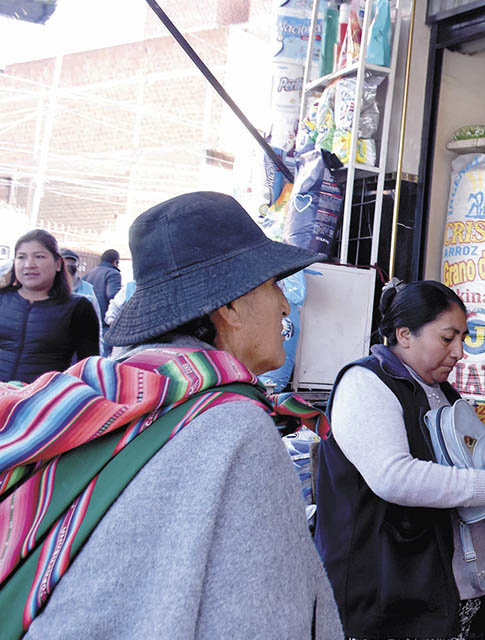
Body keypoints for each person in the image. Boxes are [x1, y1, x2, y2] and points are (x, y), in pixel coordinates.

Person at [10, 192, 342, 637]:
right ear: (230, 307)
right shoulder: (235, 427)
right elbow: (263, 617)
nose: (285, 305)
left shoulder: (122, 395)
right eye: (273, 285)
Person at [314, 280, 485, 640]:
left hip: (444, 594)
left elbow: (468, 465)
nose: (459, 352)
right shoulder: (366, 384)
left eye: (463, 339)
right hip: (385, 595)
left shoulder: (441, 392)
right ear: (404, 335)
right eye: (447, 338)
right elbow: (394, 477)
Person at [0, 230, 100, 383]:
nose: (29, 265)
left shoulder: (78, 308)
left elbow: (89, 370)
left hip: (45, 401)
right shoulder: (2, 299)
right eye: (21, 257)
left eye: (39, 257)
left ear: (58, 264)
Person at [60, 248, 102, 319]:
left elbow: (96, 314)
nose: (69, 264)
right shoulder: (51, 287)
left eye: (72, 262)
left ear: (78, 265)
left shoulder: (87, 288)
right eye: (66, 262)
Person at [83, 247, 121, 325]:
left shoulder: (89, 273)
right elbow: (113, 295)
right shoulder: (113, 273)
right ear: (115, 262)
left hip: (88, 318)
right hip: (104, 320)